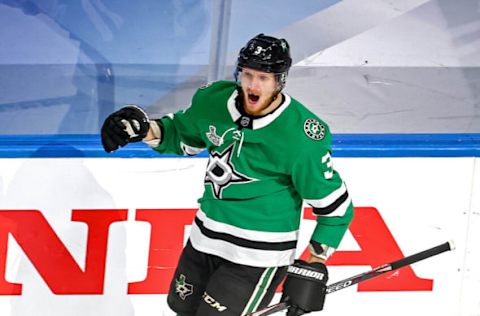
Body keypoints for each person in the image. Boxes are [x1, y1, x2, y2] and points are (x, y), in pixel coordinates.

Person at [101, 34, 354, 316]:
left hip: (257, 256)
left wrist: (313, 262)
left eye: (263, 77)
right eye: (247, 75)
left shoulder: (301, 136)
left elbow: (336, 209)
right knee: (179, 309)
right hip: (204, 239)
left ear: (279, 81)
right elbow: (181, 135)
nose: (253, 85)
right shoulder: (214, 100)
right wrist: (142, 128)